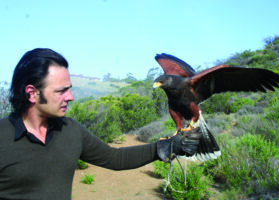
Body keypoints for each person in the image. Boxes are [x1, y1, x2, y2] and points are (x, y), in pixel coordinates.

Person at [0, 48, 200, 200]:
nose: (70, 97)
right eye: (61, 91)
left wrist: (165, 147)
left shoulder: (70, 130)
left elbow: (114, 158)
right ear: (32, 93)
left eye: (69, 89)